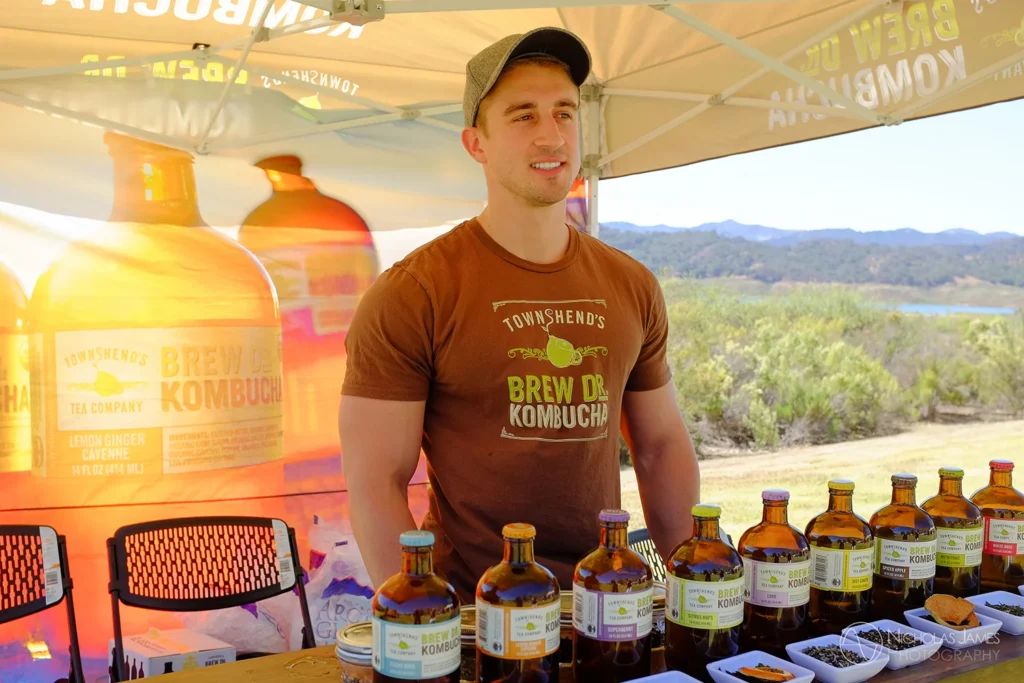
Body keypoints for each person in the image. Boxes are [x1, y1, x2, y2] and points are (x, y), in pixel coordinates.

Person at [339, 26, 700, 600]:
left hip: (606, 604)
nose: (551, 135)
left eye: (564, 112)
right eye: (523, 116)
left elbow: (660, 448)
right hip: (474, 609)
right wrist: (421, 622)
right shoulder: (414, 292)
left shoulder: (631, 284)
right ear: (475, 143)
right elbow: (375, 482)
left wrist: (692, 587)